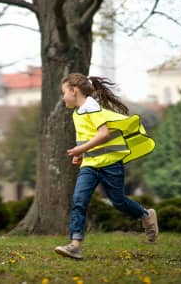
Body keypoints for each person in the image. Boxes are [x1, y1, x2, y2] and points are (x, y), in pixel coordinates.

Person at [54, 73, 158, 260]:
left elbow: (104, 134)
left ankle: (145, 214)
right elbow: (89, 136)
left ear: (73, 90)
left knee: (118, 201)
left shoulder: (91, 107)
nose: (63, 98)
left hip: (110, 165)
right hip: (90, 165)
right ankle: (75, 245)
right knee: (79, 199)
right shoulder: (79, 111)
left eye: (64, 93)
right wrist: (81, 154)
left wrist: (81, 148)